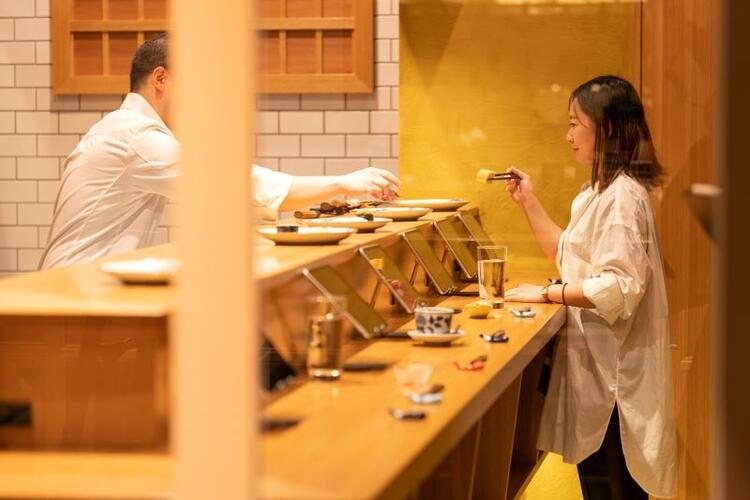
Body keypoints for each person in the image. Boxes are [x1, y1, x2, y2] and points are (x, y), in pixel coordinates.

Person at [39, 35, 399, 269]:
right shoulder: (136, 136)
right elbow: (238, 184)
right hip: (73, 290)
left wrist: (314, 201)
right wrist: (343, 183)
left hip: (86, 285)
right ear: (160, 78)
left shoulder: (133, 130)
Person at [504, 75, 676, 499]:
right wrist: (528, 200)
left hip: (616, 389)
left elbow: (617, 288)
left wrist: (547, 293)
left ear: (608, 128)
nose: (568, 136)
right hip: (599, 379)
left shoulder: (622, 197)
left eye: (574, 123)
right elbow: (568, 254)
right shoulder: (596, 193)